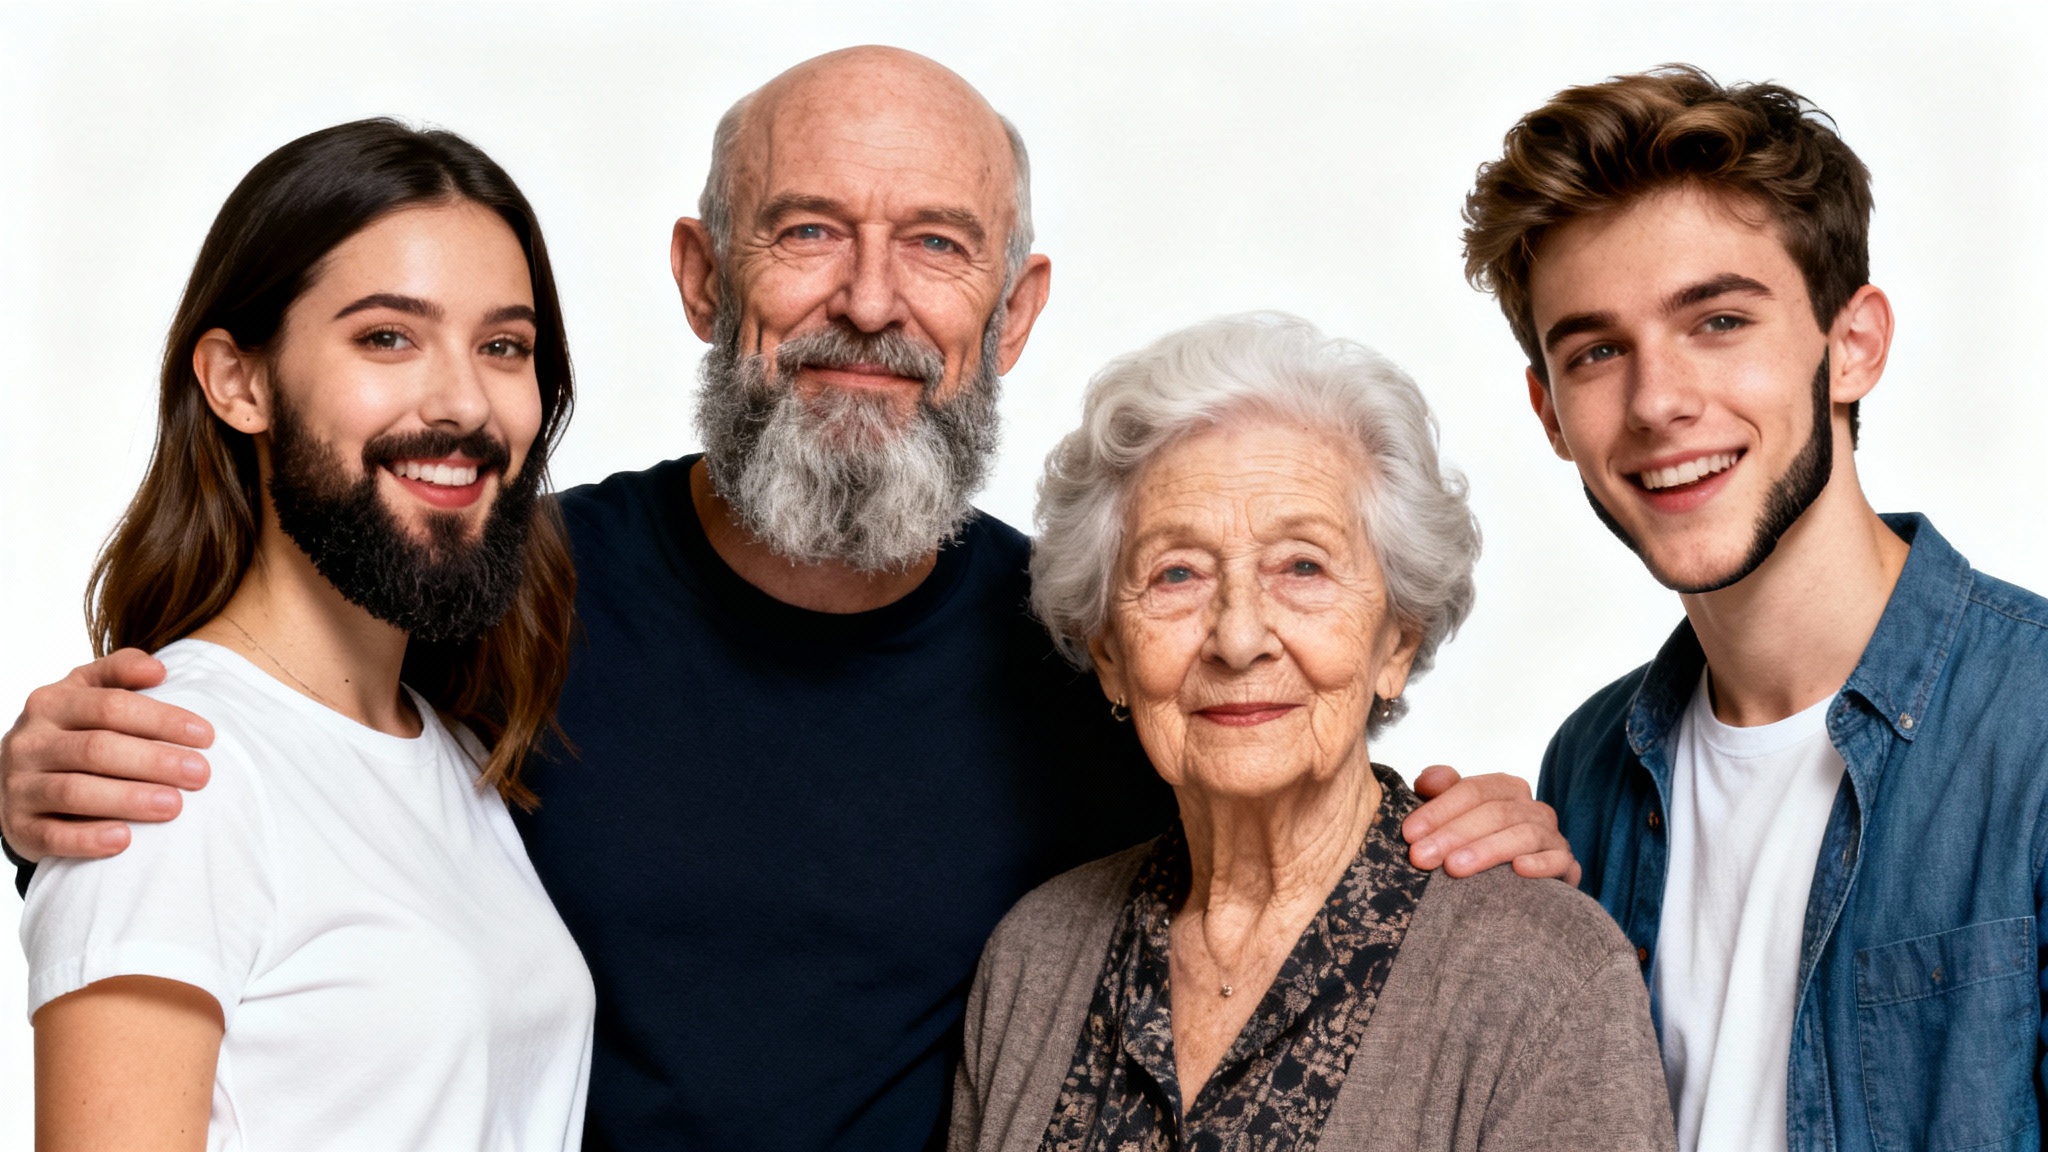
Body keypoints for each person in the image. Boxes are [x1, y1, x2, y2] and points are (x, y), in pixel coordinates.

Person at [2, 48, 1575, 1148]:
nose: (868, 302)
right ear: (703, 275)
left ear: (1015, 310)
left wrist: (1455, 834)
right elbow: (279, 765)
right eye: (808, 232)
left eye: (937, 247)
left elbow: (1286, 824)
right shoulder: (502, 593)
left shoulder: (1101, 651)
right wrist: (43, 795)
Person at [1456, 66, 2048, 1150]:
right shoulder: (1586, 770)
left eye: (1718, 320)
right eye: (1596, 352)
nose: (1656, 402)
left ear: (1851, 344)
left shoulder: (2034, 728)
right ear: (1548, 413)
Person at [953, 314, 1674, 1152]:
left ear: (1396, 640)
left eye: (1302, 566)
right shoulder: (1033, 961)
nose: (1238, 638)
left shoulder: (1541, 976)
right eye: (1177, 573)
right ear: (1110, 654)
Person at [19, 119, 594, 1149]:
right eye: (387, 337)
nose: (464, 402)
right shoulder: (169, 771)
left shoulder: (449, 752)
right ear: (238, 382)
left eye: (503, 346)